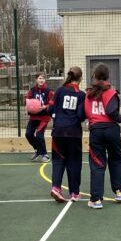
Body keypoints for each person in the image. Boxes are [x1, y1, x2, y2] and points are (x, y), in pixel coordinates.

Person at [85, 63, 121, 208]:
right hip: (111, 130)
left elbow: (85, 113)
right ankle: (119, 191)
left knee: (97, 163)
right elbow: (111, 112)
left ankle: (96, 199)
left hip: (96, 131)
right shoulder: (111, 93)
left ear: (94, 76)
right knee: (115, 159)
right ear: (108, 76)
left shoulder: (89, 94)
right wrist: (120, 117)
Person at [48, 66, 86, 202]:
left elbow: (50, 108)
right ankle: (74, 193)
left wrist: (57, 117)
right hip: (74, 133)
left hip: (58, 131)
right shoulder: (81, 95)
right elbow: (81, 115)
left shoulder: (59, 91)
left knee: (58, 160)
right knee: (74, 162)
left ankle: (56, 188)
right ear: (80, 78)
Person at [24, 72, 52, 162]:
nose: (41, 80)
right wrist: (27, 105)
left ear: (45, 80)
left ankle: (45, 154)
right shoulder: (32, 90)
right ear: (36, 79)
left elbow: (52, 103)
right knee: (28, 134)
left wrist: (46, 106)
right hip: (34, 116)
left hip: (44, 117)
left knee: (39, 134)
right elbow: (27, 100)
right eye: (40, 78)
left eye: (43, 78)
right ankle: (37, 150)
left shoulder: (49, 91)